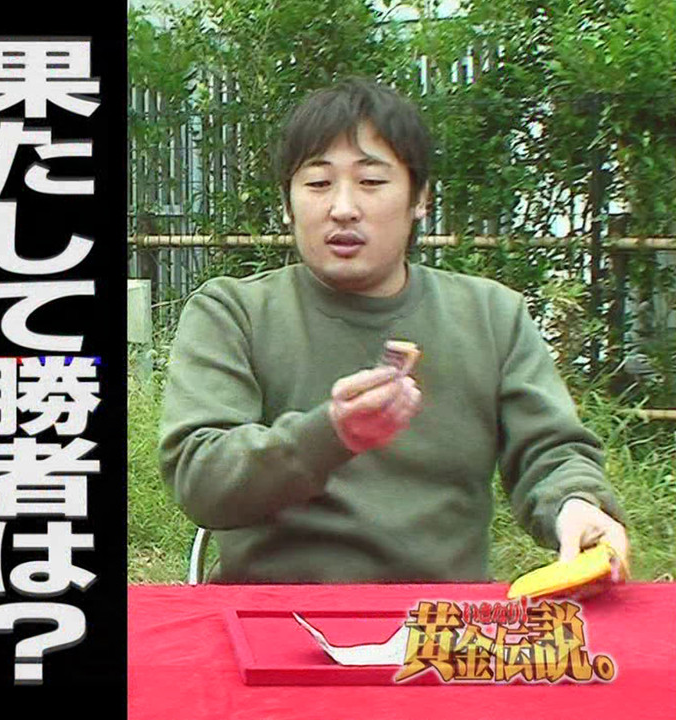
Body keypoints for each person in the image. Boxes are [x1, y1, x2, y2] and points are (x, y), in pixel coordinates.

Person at [158, 79, 630, 584]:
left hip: (442, 619)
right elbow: (201, 479)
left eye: (371, 181)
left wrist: (576, 503)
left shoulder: (492, 315)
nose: (343, 207)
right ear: (287, 203)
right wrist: (328, 434)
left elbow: (551, 450)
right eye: (318, 184)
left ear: (420, 198)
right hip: (270, 612)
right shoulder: (234, 312)